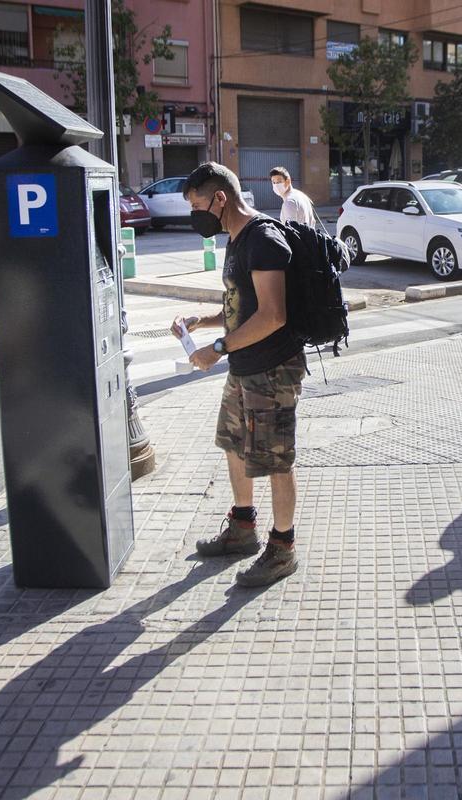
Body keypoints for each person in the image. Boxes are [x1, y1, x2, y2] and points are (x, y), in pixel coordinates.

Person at [170, 162, 308, 588]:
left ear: (220, 199)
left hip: (273, 370)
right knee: (233, 445)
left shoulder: (263, 238)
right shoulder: (235, 238)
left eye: (197, 206)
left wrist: (216, 350)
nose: (195, 215)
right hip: (244, 366)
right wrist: (205, 321)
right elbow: (240, 307)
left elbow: (272, 314)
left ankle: (282, 550)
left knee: (276, 460)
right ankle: (242, 529)